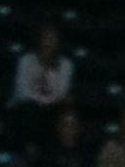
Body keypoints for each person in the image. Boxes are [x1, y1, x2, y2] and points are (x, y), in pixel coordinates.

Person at [8, 23, 75, 155]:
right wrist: (38, 100)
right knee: (31, 111)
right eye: (46, 38)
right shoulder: (26, 60)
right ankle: (28, 148)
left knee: (56, 113)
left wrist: (49, 71)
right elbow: (21, 90)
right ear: (39, 40)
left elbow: (61, 91)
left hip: (52, 107)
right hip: (28, 105)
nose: (49, 43)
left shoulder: (66, 64)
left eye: (53, 39)